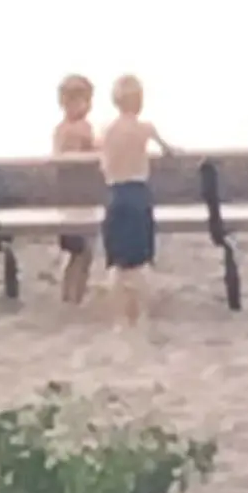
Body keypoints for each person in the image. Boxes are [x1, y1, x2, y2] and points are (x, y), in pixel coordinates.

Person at [97, 73, 172, 328]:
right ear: (139, 101)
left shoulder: (106, 131)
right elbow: (169, 150)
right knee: (141, 261)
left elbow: (103, 163)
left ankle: (120, 315)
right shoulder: (145, 129)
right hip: (138, 195)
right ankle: (141, 313)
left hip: (115, 195)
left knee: (117, 261)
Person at [51, 74, 97, 306]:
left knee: (74, 253)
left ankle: (68, 295)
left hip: (64, 200)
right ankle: (74, 297)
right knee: (83, 254)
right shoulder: (83, 130)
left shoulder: (59, 131)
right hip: (80, 200)